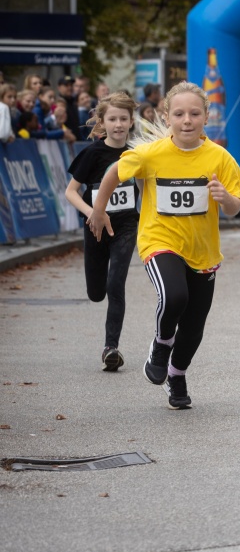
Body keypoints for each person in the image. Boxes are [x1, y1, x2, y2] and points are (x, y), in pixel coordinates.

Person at [88, 82, 240, 410]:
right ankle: (161, 344)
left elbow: (235, 207)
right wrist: (99, 211)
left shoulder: (220, 158)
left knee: (193, 328)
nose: (187, 120)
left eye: (194, 113)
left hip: (202, 251)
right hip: (159, 240)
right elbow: (113, 173)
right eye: (179, 114)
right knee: (174, 295)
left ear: (206, 117)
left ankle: (177, 374)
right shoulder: (151, 153)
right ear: (167, 116)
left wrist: (225, 198)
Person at [64, 92, 141, 372]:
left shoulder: (136, 154)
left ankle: (111, 348)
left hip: (125, 226)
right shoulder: (93, 153)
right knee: (96, 292)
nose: (118, 124)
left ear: (131, 121)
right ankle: (109, 337)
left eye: (123, 119)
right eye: (112, 119)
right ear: (102, 122)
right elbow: (70, 192)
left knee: (115, 284)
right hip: (95, 227)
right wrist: (93, 213)